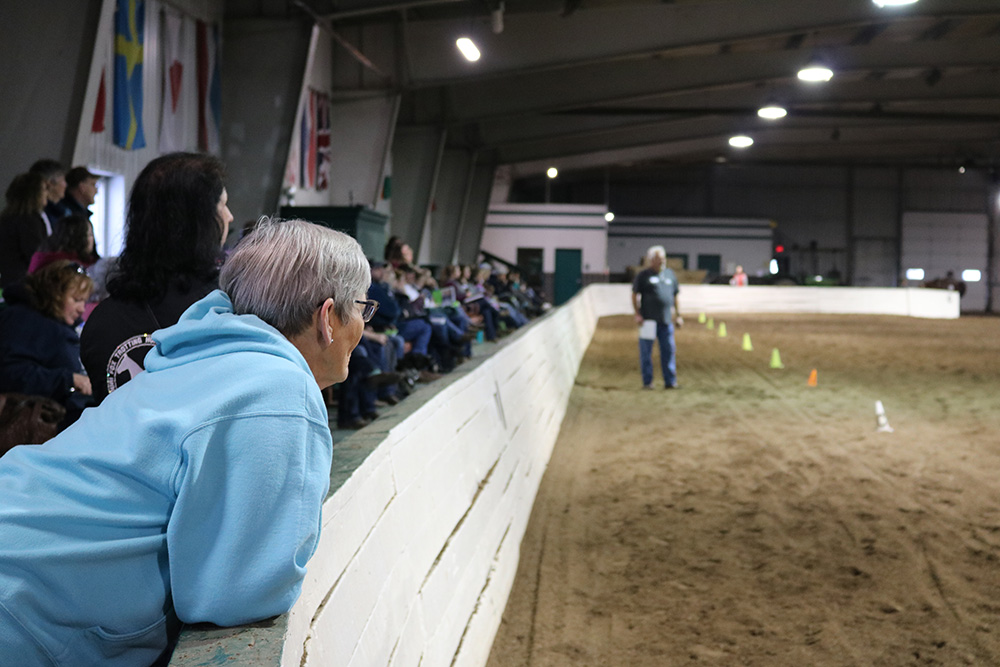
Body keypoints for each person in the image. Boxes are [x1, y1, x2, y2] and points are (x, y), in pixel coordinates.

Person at [0, 218, 371, 666]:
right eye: (362, 309)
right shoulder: (278, 389)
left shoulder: (195, 352)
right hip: (25, 614)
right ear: (328, 317)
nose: (364, 328)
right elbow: (237, 593)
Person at [80, 152, 233, 404]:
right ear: (201, 220)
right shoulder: (224, 311)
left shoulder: (102, 321)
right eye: (223, 204)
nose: (229, 216)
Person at [0, 260, 94, 428]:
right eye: (76, 300)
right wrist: (69, 380)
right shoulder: (23, 321)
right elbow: (11, 374)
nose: (82, 309)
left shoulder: (55, 323)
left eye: (84, 302)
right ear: (55, 293)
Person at [632, 245, 682, 389]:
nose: (662, 262)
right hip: (648, 321)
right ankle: (648, 382)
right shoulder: (643, 276)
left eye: (663, 259)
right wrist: (637, 314)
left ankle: (670, 381)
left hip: (666, 321)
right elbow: (634, 295)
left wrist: (678, 315)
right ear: (651, 260)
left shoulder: (670, 275)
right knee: (646, 353)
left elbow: (675, 296)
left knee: (669, 351)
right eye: (658, 259)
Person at [0, 172, 49, 289]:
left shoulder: (5, 218)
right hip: (22, 285)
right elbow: (36, 257)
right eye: (44, 189)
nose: (47, 193)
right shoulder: (30, 221)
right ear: (34, 194)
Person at [28, 213, 99, 274]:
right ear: (80, 238)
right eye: (90, 234)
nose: (92, 239)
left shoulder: (40, 259)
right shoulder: (76, 269)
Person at [28, 159, 67, 234]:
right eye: (63, 180)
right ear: (50, 183)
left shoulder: (60, 213)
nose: (66, 185)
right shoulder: (35, 216)